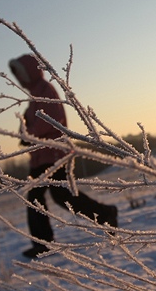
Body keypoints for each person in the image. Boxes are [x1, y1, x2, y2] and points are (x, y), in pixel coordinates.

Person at [9, 54, 118, 259]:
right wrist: (26, 131)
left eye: (20, 74)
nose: (19, 79)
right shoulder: (34, 96)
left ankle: (104, 214)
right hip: (41, 156)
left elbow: (48, 122)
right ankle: (43, 242)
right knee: (39, 197)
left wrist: (28, 133)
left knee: (59, 197)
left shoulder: (45, 90)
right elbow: (31, 124)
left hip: (53, 154)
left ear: (29, 72)